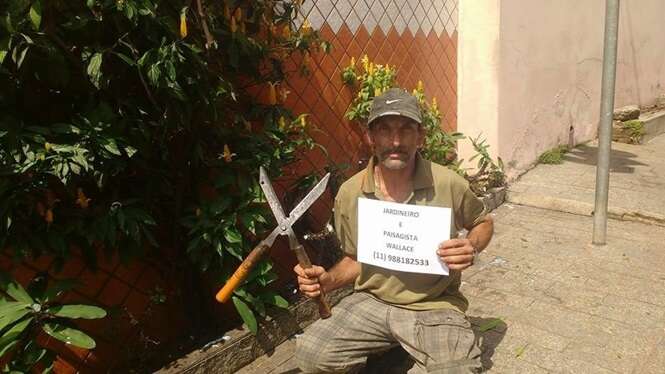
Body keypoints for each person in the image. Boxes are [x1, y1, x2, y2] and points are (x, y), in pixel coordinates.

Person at [294, 88, 494, 373]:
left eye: (406, 130)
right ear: (370, 138)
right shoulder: (350, 193)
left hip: (433, 305)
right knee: (311, 357)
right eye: (385, 130)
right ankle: (393, 352)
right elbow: (355, 258)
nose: (396, 141)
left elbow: (483, 222)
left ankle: (399, 351)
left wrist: (471, 246)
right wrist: (328, 279)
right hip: (372, 301)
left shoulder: (448, 183)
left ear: (420, 136)